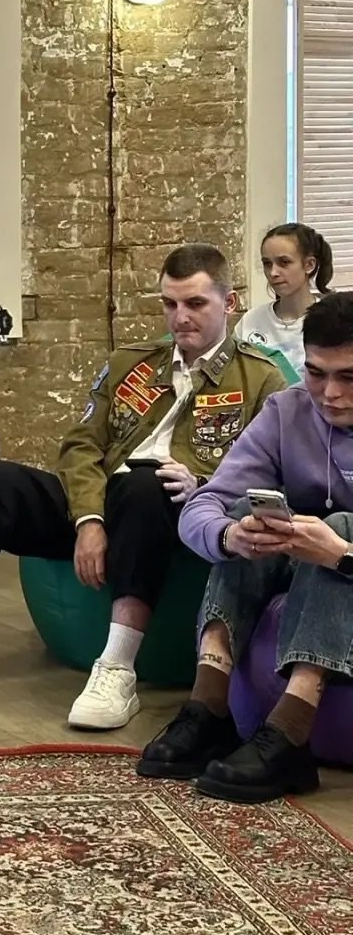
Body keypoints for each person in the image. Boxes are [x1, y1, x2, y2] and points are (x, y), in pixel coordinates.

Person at [0, 244, 288, 728]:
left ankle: (117, 667)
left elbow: (271, 473)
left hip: (178, 516)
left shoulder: (261, 378)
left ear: (229, 303)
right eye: (170, 304)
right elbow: (82, 445)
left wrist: (204, 484)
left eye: (196, 303)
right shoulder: (131, 362)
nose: (180, 318)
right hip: (102, 500)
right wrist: (89, 519)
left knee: (145, 483)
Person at [138, 289, 353, 803]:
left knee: (342, 525)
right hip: (293, 564)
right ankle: (209, 706)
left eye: (349, 377)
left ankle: (291, 731)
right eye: (316, 373)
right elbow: (204, 505)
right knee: (244, 516)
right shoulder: (286, 411)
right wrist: (229, 536)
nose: (330, 394)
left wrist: (340, 553)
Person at [236, 220, 334, 380]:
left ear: (309, 265)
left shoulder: (332, 321)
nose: (273, 272)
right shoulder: (250, 321)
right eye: (267, 264)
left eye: (284, 262)